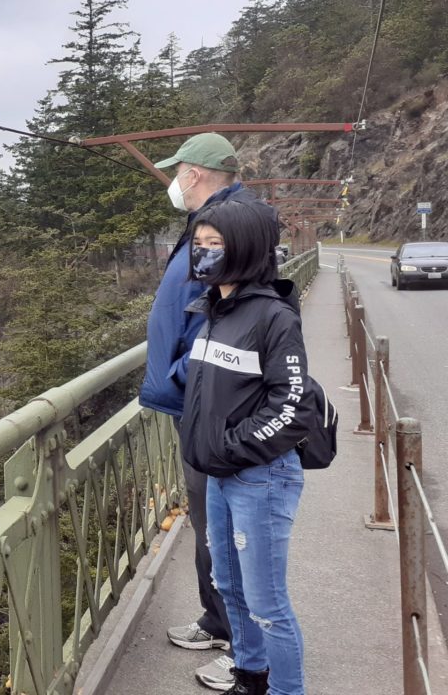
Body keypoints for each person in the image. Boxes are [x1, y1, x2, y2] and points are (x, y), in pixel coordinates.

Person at [139, 133, 264, 691]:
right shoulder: (216, 222)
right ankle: (218, 621)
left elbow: (226, 315)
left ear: (192, 174)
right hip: (198, 400)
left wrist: (184, 378)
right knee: (208, 521)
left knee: (223, 530)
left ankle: (245, 651)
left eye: (177, 171)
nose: (173, 181)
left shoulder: (224, 229)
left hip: (210, 405)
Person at [179, 198, 313, 695]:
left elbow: (292, 404)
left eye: (216, 245)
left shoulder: (272, 317)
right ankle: (250, 677)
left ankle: (285, 689)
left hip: (260, 476)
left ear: (247, 250)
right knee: (230, 585)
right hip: (222, 473)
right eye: (199, 245)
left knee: (267, 601)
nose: (204, 254)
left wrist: (233, 446)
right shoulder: (216, 307)